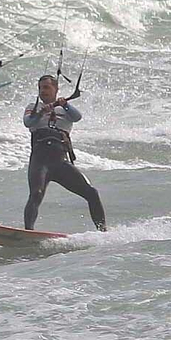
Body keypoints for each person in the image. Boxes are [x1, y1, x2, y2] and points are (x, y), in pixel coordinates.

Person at [22, 74, 107, 231]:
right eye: (40, 88)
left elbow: (77, 117)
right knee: (36, 194)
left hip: (60, 161)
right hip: (40, 161)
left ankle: (103, 232)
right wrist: (41, 112)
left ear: (56, 89)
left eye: (47, 87)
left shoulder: (65, 109)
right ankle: (28, 232)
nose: (43, 91)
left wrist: (65, 104)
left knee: (92, 193)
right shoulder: (33, 107)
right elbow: (28, 122)